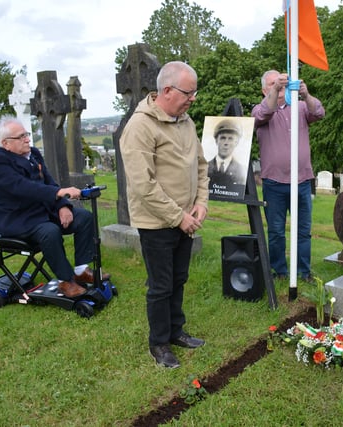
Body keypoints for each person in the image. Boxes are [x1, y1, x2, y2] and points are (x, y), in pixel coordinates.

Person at [120, 61, 209, 369]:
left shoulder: (186, 121)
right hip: (157, 222)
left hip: (186, 217)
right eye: (189, 92)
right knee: (161, 284)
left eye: (194, 92)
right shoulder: (140, 127)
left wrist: (202, 202)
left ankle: (175, 331)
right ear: (167, 90)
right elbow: (143, 185)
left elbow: (200, 165)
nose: (193, 98)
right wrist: (178, 216)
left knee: (179, 278)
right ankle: (158, 343)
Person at [0, 115, 110, 299]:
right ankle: (65, 281)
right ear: (6, 143)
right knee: (50, 231)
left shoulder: (33, 153)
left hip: (42, 212)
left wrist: (62, 205)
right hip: (18, 220)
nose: (27, 139)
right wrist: (59, 193)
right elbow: (22, 187)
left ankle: (81, 270)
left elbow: (49, 182)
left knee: (83, 217)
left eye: (26, 134)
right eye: (21, 137)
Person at [251, 70, 325, 281]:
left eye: (281, 84)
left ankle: (303, 272)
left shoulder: (300, 108)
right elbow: (262, 115)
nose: (279, 88)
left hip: (301, 181)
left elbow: (319, 113)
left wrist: (306, 94)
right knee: (275, 232)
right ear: (264, 89)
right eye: (273, 85)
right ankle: (279, 271)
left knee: (303, 230)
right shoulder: (260, 109)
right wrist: (274, 92)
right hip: (274, 182)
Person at [207, 119, 246, 198]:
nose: (226, 143)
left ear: (236, 142)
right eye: (223, 138)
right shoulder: (205, 167)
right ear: (216, 140)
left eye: (230, 138)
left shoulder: (242, 170)